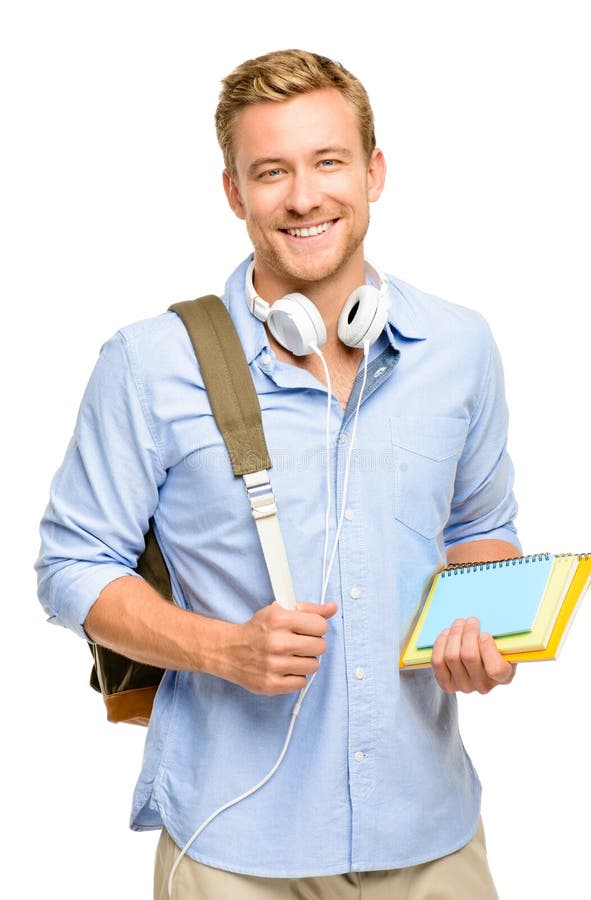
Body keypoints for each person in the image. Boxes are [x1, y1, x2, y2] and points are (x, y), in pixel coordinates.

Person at [36, 49, 521, 899]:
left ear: (372, 172)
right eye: (271, 172)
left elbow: (479, 525)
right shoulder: (149, 364)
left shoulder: (460, 347)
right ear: (234, 192)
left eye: (328, 162)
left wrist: (485, 626)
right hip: (234, 848)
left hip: (432, 834)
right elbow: (71, 566)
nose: (303, 197)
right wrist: (223, 650)